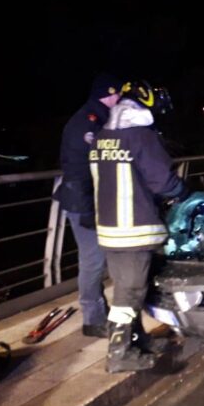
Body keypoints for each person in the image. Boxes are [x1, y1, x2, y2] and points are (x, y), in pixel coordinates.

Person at [90, 80, 188, 372]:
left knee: (127, 288)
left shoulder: (101, 138)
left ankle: (138, 340)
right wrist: (184, 192)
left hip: (108, 228)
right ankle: (119, 353)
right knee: (129, 294)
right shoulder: (142, 138)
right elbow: (162, 181)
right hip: (134, 228)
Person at [53, 73, 122, 338]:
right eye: (117, 95)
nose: (119, 99)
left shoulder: (100, 117)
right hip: (82, 201)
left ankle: (102, 314)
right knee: (93, 262)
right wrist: (86, 210)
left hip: (93, 200)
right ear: (109, 94)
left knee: (101, 260)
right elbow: (77, 169)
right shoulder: (87, 122)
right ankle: (93, 320)